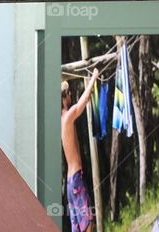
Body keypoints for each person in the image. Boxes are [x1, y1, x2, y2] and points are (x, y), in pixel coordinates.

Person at [61, 68, 99, 232]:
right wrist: (94, 78)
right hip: (76, 179)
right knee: (88, 224)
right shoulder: (67, 118)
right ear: (64, 99)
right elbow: (82, 103)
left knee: (78, 227)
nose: (70, 95)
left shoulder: (61, 120)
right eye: (68, 93)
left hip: (71, 183)